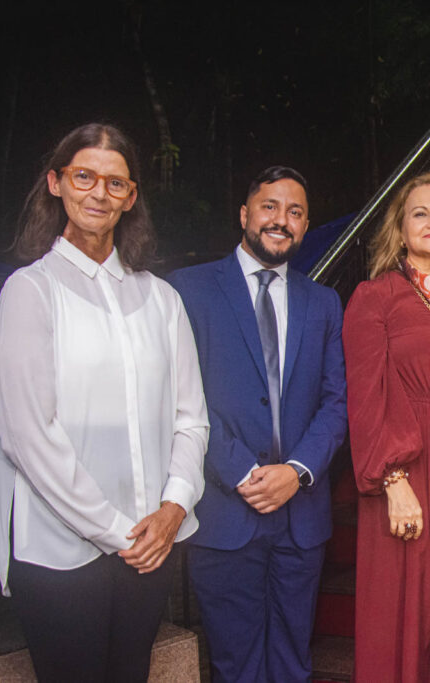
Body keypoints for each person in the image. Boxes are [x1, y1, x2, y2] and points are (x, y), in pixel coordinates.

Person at [0, 123, 208, 682]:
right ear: (56, 183)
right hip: (61, 551)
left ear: (131, 196)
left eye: (114, 182)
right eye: (84, 176)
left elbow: (191, 419)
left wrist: (175, 506)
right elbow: (28, 436)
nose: (98, 193)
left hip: (151, 545)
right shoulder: (29, 292)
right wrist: (115, 531)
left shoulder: (161, 299)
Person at [167, 166, 347, 683]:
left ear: (306, 226)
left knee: (294, 661)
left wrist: (297, 470)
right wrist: (243, 471)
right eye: (270, 206)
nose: (280, 220)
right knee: (235, 666)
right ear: (245, 214)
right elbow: (182, 399)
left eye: (294, 212)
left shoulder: (323, 302)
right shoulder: (189, 290)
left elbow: (337, 402)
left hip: (301, 515)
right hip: (226, 511)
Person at [343, 172, 430, 682]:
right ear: (400, 230)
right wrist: (393, 479)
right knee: (403, 611)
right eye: (419, 213)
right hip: (405, 469)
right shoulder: (375, 297)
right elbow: (365, 395)